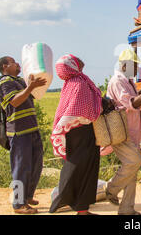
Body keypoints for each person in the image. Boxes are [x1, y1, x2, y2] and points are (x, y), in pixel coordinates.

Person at [105, 48, 141, 215]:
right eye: (134, 65)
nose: (137, 68)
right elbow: (132, 103)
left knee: (131, 172)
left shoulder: (126, 81)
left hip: (130, 131)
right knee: (134, 162)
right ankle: (111, 188)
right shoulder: (117, 81)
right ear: (124, 65)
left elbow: (131, 98)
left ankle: (126, 209)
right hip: (121, 131)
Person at [49, 54, 103, 215]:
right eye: (76, 60)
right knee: (84, 170)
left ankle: (82, 209)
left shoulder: (69, 84)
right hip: (82, 132)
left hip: (73, 133)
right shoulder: (80, 83)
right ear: (72, 65)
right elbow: (86, 111)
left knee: (77, 169)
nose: (81, 61)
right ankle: (66, 202)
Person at [0, 56, 47, 214]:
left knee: (36, 165)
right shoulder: (4, 84)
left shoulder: (20, 81)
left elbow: (30, 95)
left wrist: (32, 85)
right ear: (5, 66)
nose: (17, 64)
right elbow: (15, 102)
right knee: (20, 168)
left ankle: (28, 196)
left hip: (31, 129)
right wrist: (30, 87)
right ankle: (18, 204)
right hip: (18, 132)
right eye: (13, 62)